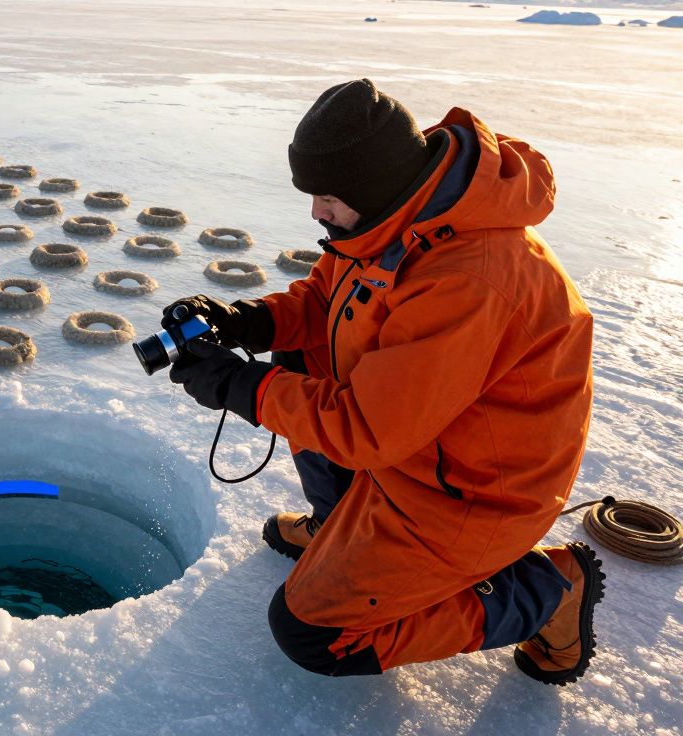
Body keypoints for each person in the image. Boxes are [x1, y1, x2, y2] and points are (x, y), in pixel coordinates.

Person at [163, 79, 601, 684]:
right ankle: (337, 521)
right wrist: (247, 321)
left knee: (315, 635)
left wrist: (238, 385)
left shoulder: (468, 278)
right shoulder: (396, 217)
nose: (316, 211)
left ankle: (547, 590)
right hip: (414, 442)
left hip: (470, 493)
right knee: (298, 353)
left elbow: (365, 427)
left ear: (372, 188)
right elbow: (327, 301)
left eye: (327, 196)